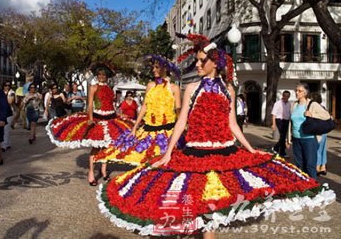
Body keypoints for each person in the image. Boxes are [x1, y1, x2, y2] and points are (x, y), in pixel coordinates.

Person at [97, 34, 334, 237]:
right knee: (195, 202)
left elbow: (232, 123)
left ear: (215, 63)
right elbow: (181, 123)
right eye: (197, 61)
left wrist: (250, 149)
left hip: (224, 153)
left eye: (201, 61)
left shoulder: (228, 89)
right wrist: (168, 153)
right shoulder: (191, 88)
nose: (197, 65)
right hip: (194, 153)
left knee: (212, 206)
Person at [46, 63, 133, 186]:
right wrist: (90, 118)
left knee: (107, 146)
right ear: (97, 76)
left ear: (107, 76)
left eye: (104, 75)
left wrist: (119, 114)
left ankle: (103, 170)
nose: (102, 76)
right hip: (97, 118)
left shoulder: (109, 88)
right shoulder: (93, 87)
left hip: (110, 118)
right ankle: (91, 172)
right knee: (96, 147)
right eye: (100, 74)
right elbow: (90, 104)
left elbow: (110, 104)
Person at [95, 54, 181, 165]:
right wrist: (135, 128)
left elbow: (178, 109)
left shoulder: (174, 87)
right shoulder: (150, 85)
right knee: (143, 159)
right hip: (149, 130)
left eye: (157, 67)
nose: (153, 70)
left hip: (167, 131)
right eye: (153, 67)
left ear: (165, 68)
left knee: (165, 162)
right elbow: (144, 106)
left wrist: (182, 127)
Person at [287, 83, 330, 179]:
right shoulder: (294, 104)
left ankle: (312, 188)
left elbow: (327, 116)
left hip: (309, 139)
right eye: (296, 90)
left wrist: (312, 114)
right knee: (299, 165)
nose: (296, 92)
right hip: (296, 139)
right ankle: (302, 187)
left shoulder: (312, 104)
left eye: (299, 91)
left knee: (310, 166)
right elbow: (291, 122)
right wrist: (288, 138)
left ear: (305, 93)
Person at [309, 92, 329, 176]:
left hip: (318, 131)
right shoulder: (323, 107)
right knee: (323, 150)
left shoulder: (314, 107)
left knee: (317, 150)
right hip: (324, 131)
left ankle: (317, 168)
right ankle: (323, 167)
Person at [271, 90, 291, 157]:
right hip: (279, 120)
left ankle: (276, 148)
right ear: (282, 96)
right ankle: (282, 152)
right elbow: (274, 114)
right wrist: (273, 124)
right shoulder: (277, 103)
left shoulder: (289, 104)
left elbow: (289, 113)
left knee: (283, 136)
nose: (286, 97)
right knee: (282, 136)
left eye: (287, 96)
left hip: (286, 121)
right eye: (285, 96)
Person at [1, 81, 15, 151]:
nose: (7, 87)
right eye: (6, 85)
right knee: (5, 129)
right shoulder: (0, 92)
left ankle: (4, 145)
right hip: (1, 112)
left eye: (9, 85)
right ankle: (8, 143)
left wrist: (5, 95)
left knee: (6, 129)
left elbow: (10, 102)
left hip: (9, 112)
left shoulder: (11, 93)